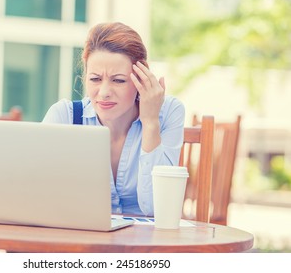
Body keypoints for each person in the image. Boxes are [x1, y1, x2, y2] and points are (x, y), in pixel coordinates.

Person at [43, 22, 185, 216]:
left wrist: (151, 122)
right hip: (82, 237)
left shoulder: (169, 112)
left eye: (118, 80)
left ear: (141, 78)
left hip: (144, 242)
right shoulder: (63, 116)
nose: (104, 93)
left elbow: (158, 208)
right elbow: (41, 198)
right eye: (95, 79)